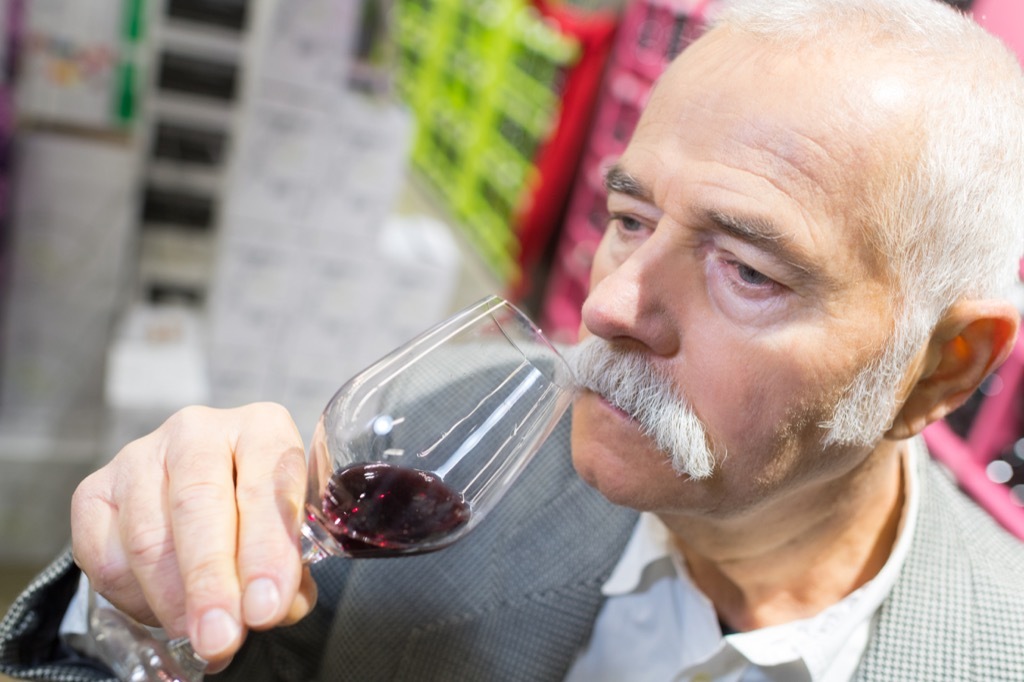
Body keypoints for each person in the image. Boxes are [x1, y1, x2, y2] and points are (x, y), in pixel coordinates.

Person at [4, 0, 1024, 679]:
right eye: (630, 219)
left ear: (944, 368)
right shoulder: (452, 428)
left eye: (746, 270)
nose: (616, 303)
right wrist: (139, 594)